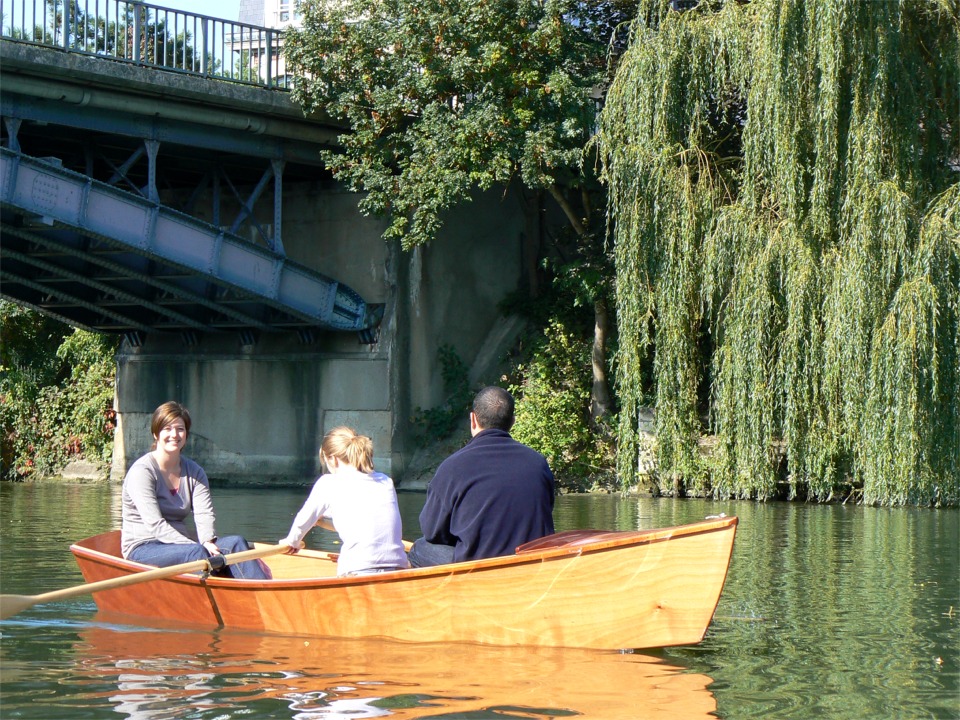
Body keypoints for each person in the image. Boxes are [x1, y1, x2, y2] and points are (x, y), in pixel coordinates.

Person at [408, 386, 555, 567]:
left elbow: (431, 531)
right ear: (513, 421)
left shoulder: (452, 467)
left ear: (473, 419)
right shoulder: (538, 463)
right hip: (530, 564)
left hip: (478, 568)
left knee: (419, 548)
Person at [120, 401, 270, 580]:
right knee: (196, 552)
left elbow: (204, 513)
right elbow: (155, 525)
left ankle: (263, 597)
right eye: (167, 428)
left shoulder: (195, 472)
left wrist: (207, 541)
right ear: (156, 433)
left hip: (183, 546)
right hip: (144, 547)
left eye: (180, 429)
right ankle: (225, 597)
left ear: (186, 435)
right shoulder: (142, 472)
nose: (174, 434)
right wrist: (198, 546)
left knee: (236, 543)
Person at [279, 426, 409, 576]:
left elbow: (303, 521)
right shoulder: (385, 481)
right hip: (399, 567)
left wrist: (292, 542)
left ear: (333, 459)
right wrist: (321, 522)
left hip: (358, 569)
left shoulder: (328, 483)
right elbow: (361, 522)